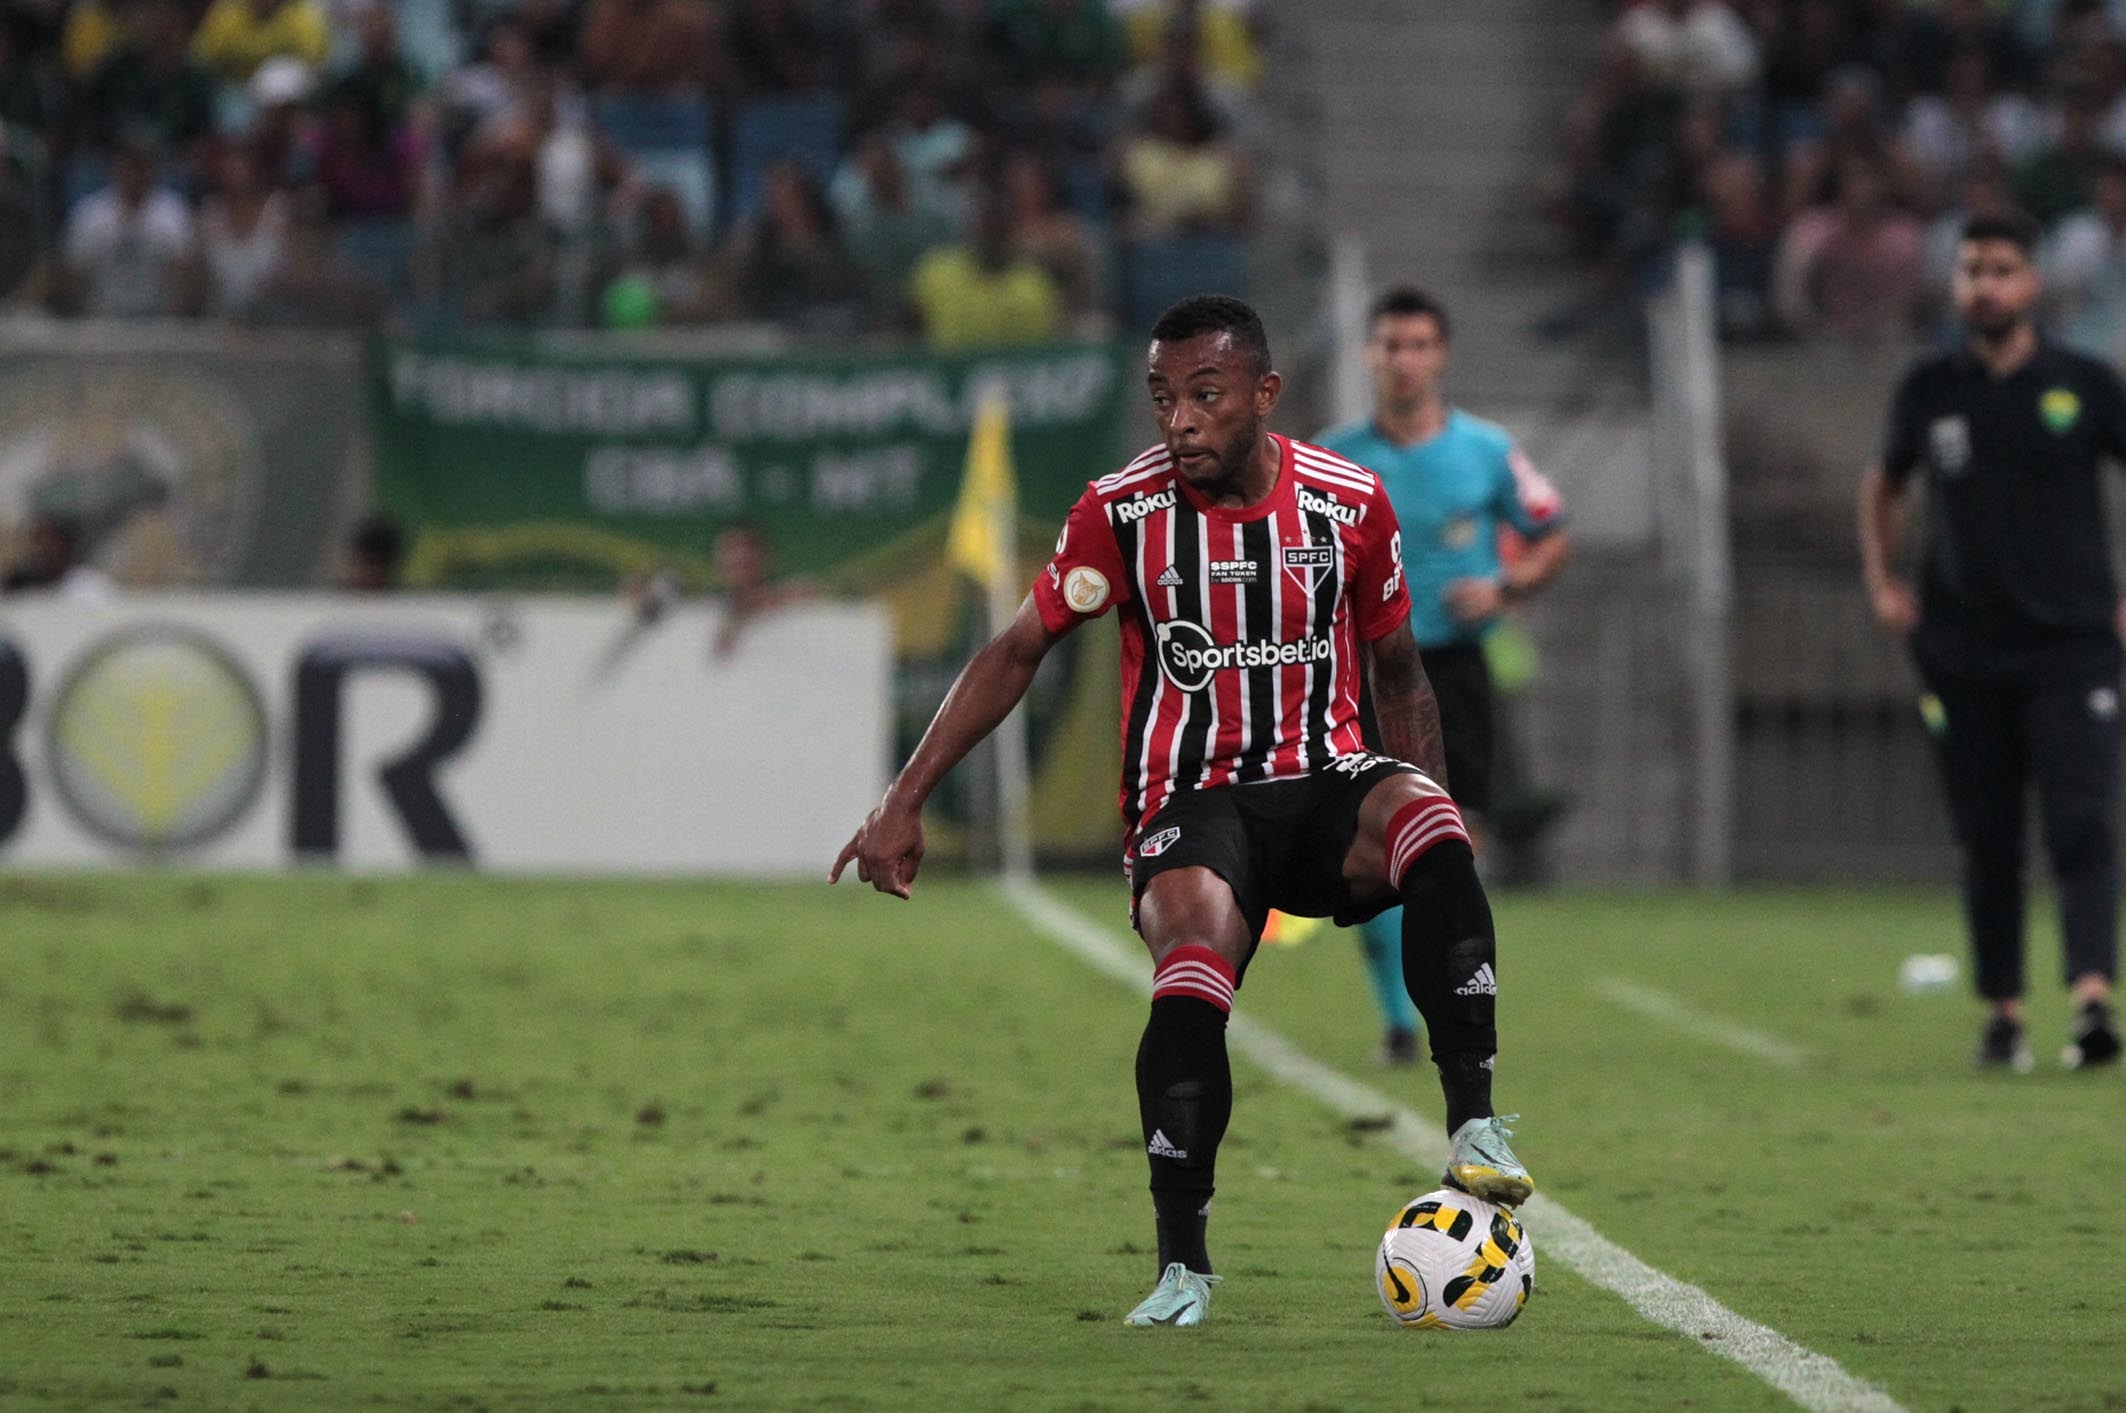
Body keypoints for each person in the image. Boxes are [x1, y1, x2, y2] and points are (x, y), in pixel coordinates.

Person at [832, 295, 1533, 1326]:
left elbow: (1397, 668)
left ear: (1262, 394)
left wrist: (1420, 808)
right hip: (1189, 802)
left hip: (1323, 778)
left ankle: (1471, 1122)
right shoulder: (1120, 513)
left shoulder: (1347, 503)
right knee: (1196, 953)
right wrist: (902, 799)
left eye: (1204, 396)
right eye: (1162, 398)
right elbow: (1015, 648)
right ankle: (1180, 1265)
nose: (1180, 421)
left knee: (1434, 821)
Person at [1859, 208, 2123, 1073]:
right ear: (1956, 283)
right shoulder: (1930, 387)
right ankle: (2004, 1014)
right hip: (1962, 649)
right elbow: (1883, 484)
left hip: (2073, 644)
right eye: (1972, 270)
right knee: (1988, 835)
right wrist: (1884, 582)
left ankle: (2091, 1003)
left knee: (2082, 824)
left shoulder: (2083, 382)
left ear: (2033, 283)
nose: (1985, 285)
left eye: (2002, 269)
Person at [1317, 288, 1571, 1065]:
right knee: (1363, 856)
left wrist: (1507, 588)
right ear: (1370, 355)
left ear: (1443, 355)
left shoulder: (1489, 450)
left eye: (1419, 345)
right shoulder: (1333, 456)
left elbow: (1550, 531)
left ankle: (1451, 1010)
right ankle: (1402, 1019)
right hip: (1362, 668)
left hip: (1452, 671)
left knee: (1454, 843)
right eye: (1391, 345)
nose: (1405, 360)